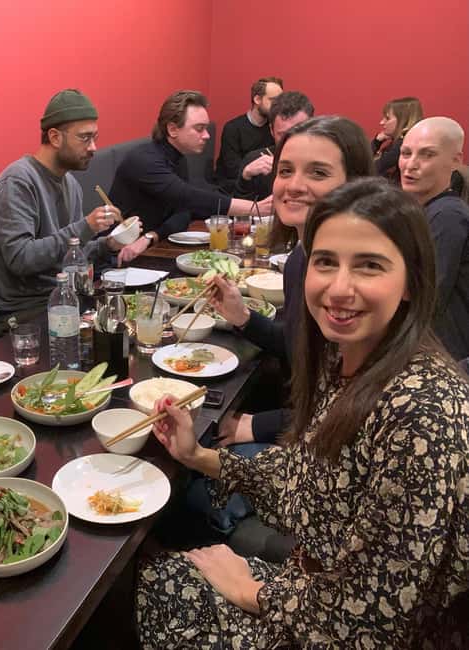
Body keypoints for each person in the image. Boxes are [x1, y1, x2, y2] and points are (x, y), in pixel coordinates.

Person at [138, 178, 469, 648]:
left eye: (370, 266)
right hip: (315, 589)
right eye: (326, 262)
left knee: (162, 587)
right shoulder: (348, 359)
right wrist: (198, 456)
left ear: (413, 283)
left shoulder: (420, 412)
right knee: (163, 570)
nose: (339, 288)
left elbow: (372, 618)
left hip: (347, 628)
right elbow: (308, 476)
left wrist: (255, 592)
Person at [210, 116, 374, 447]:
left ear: (355, 183)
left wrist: (258, 426)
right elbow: (300, 346)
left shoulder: (354, 281)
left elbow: (353, 400)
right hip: (303, 415)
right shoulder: (301, 256)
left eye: (318, 172)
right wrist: (242, 317)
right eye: (285, 171)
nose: (294, 185)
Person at [0, 89, 122, 321]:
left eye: (95, 138)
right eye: (84, 137)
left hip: (66, 297)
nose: (93, 148)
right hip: (26, 312)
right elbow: (21, 259)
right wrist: (86, 226)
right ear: (55, 137)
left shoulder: (71, 183)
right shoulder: (18, 181)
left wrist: (107, 244)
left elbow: (71, 255)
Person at [108, 91, 272, 265]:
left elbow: (184, 211)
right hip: (117, 254)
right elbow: (188, 197)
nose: (207, 136)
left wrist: (151, 236)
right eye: (199, 129)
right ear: (172, 129)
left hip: (148, 249)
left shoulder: (178, 157)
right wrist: (255, 208)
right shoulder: (144, 160)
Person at [399, 116, 469, 360]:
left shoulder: (448, 215)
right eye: (405, 153)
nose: (410, 165)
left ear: (455, 161)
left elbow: (427, 296)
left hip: (445, 358)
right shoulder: (425, 210)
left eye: (426, 155)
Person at [233, 91, 315, 200]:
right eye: (283, 135)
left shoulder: (325, 161)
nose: (291, 141)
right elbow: (240, 214)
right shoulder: (255, 160)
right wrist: (245, 177)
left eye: (299, 133)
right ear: (271, 130)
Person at [215, 77, 283, 189]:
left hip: (263, 186)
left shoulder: (275, 128)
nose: (279, 106)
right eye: (274, 101)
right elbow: (233, 170)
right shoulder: (233, 128)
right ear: (257, 99)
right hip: (233, 187)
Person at [372, 96, 423, 183]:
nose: (382, 122)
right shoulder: (396, 143)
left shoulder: (404, 144)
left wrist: (376, 143)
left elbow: (370, 169)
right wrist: (377, 142)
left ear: (403, 120)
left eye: (387, 118)